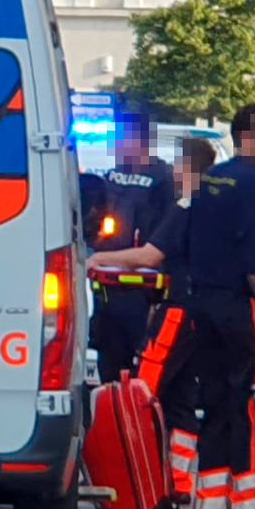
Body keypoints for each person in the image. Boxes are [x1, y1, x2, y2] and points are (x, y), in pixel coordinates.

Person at [85, 137, 215, 504]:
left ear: (187, 167)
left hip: (179, 308)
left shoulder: (186, 205)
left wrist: (99, 259)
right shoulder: (215, 205)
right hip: (204, 311)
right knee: (181, 395)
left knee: (145, 391)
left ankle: (141, 476)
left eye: (178, 165)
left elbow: (150, 255)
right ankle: (179, 481)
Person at [183, 104, 255, 509]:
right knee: (250, 413)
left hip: (203, 305)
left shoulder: (210, 181)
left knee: (215, 409)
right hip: (242, 309)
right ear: (247, 136)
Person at [86, 110, 177, 383]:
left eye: (119, 138)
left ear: (140, 140)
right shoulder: (112, 176)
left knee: (141, 376)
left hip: (144, 296)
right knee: (109, 372)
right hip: (107, 294)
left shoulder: (165, 181)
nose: (115, 146)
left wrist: (101, 258)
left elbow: (157, 250)